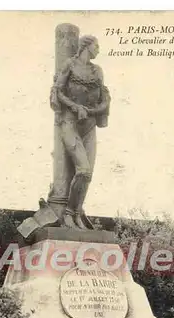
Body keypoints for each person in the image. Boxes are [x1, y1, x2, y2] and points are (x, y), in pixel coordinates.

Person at [50, 35, 110, 229]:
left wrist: (92, 111)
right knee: (82, 169)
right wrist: (76, 107)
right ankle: (68, 212)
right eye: (96, 45)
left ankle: (77, 213)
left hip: (89, 125)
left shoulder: (97, 70)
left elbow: (105, 99)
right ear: (86, 46)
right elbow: (58, 90)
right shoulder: (70, 64)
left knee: (88, 174)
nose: (99, 49)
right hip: (70, 123)